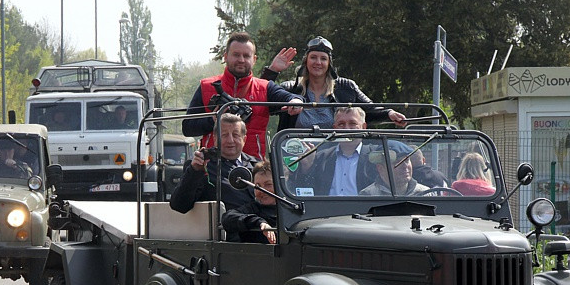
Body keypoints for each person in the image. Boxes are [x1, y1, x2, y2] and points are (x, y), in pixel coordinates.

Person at [182, 32, 303, 160]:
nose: (241, 60)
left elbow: (291, 98)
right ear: (226, 56)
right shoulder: (206, 86)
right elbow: (188, 128)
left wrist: (296, 101)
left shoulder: (266, 87)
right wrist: (213, 120)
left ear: (254, 59)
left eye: (246, 56)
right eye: (236, 55)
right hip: (212, 169)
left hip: (253, 170)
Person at [261, 36, 407, 131]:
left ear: (329, 63)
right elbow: (261, 98)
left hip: (335, 156)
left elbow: (370, 109)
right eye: (313, 57)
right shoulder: (290, 89)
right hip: (297, 157)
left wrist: (389, 113)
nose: (318, 63)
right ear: (306, 61)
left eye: (323, 59)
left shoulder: (346, 87)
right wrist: (272, 71)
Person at [170, 113, 258, 218]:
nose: (230, 140)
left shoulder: (257, 165)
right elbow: (179, 206)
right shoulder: (202, 165)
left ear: (244, 139)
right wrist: (195, 171)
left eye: (235, 135)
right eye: (224, 135)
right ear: (215, 138)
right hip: (225, 230)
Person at [290, 107, 378, 196]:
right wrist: (307, 168)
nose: (347, 129)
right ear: (334, 128)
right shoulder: (321, 157)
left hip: (365, 209)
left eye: (352, 123)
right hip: (327, 209)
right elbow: (305, 189)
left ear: (364, 127)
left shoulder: (376, 156)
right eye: (341, 124)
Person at [221, 160, 277, 244]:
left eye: (268, 184)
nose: (262, 190)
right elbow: (228, 218)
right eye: (257, 186)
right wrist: (259, 222)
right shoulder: (253, 208)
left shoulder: (291, 208)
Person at [360, 141, 428, 196]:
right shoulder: (369, 195)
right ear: (380, 168)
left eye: (407, 160)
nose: (405, 166)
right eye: (398, 162)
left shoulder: (424, 194)